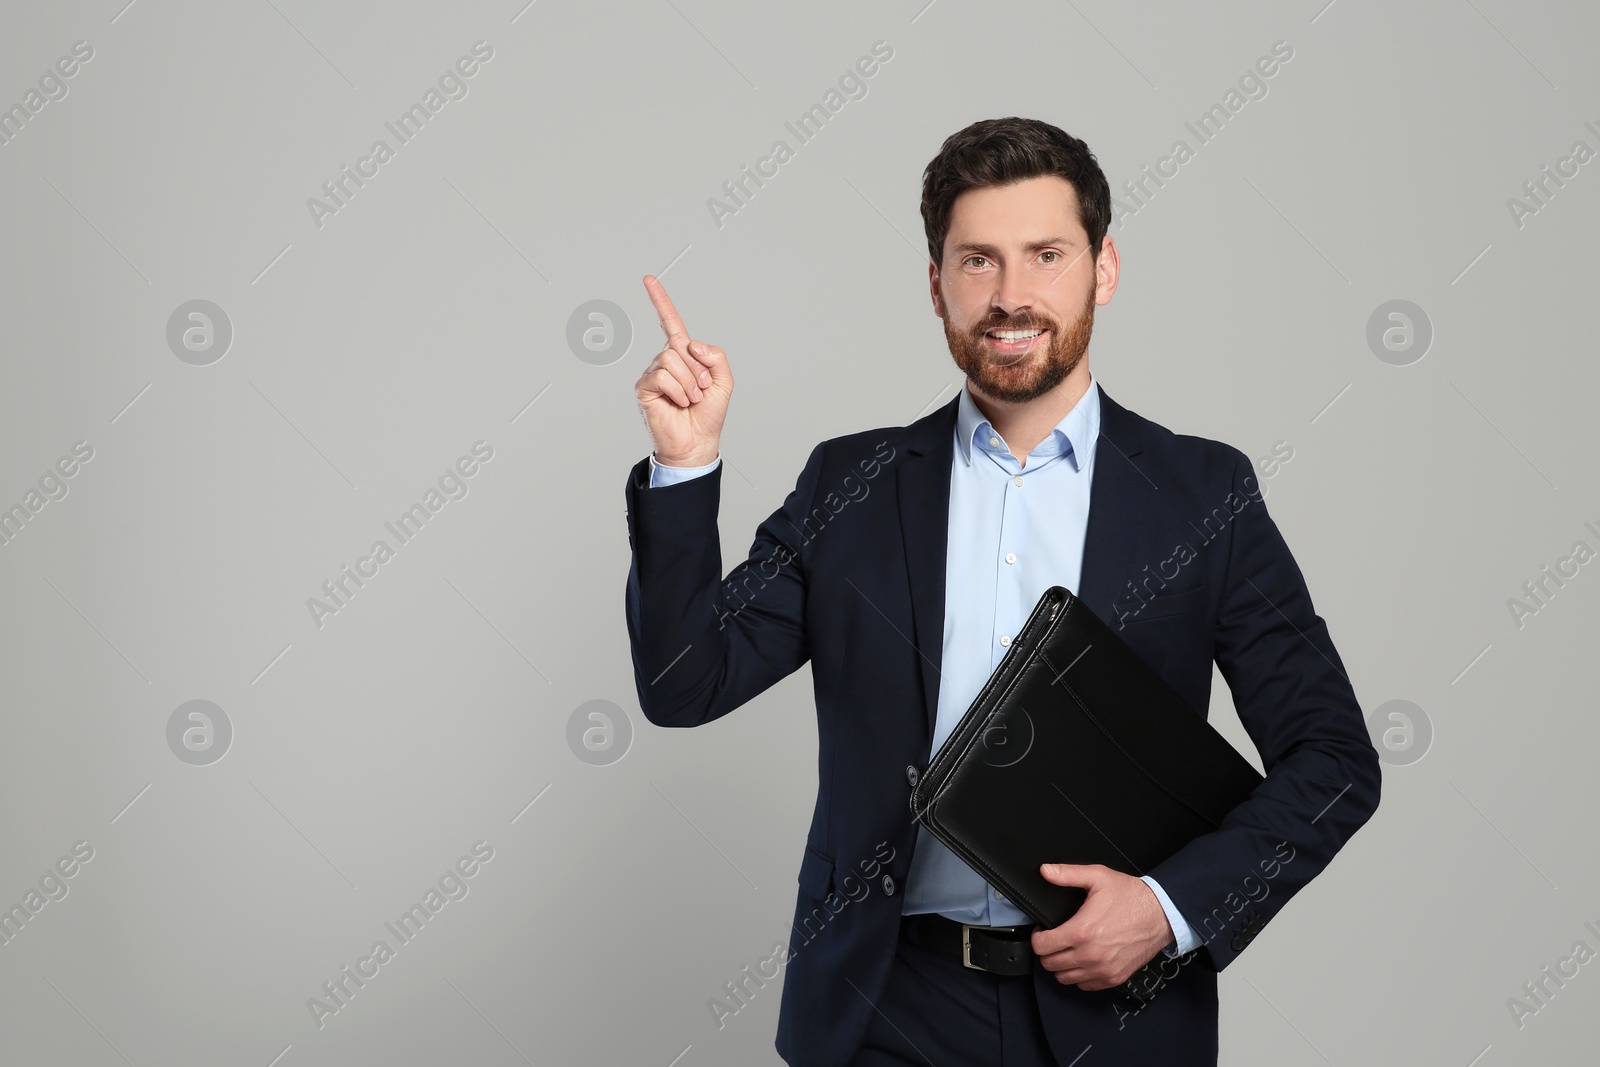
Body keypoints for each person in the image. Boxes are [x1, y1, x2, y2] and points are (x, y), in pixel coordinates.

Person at [623, 116, 1380, 1067]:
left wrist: (1168, 908)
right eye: (976, 261)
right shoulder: (850, 486)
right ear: (935, 285)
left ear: (1104, 269)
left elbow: (1335, 762)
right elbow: (684, 683)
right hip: (886, 1009)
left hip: (1118, 1016)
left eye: (1046, 255)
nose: (1011, 295)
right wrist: (684, 468)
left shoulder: (1203, 495)